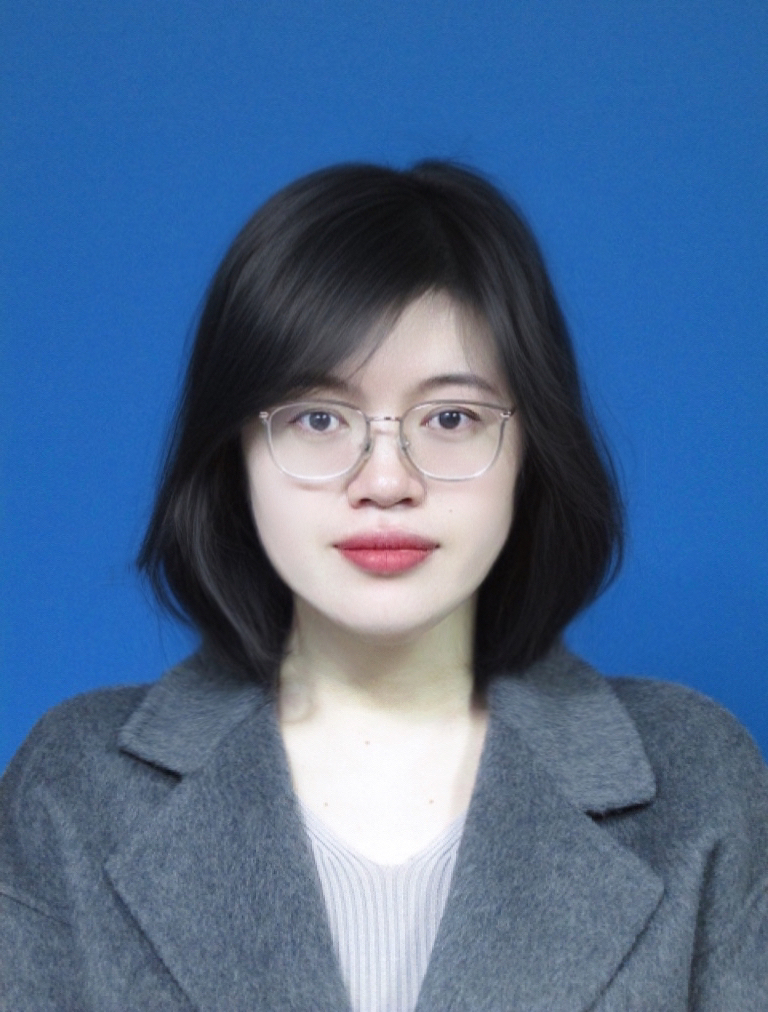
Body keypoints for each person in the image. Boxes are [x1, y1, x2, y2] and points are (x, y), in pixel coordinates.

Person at [1, 161, 766, 1012]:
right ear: (234, 454)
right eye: (318, 418)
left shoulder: (700, 786)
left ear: (531, 451)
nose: (387, 480)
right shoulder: (75, 793)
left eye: (451, 418)